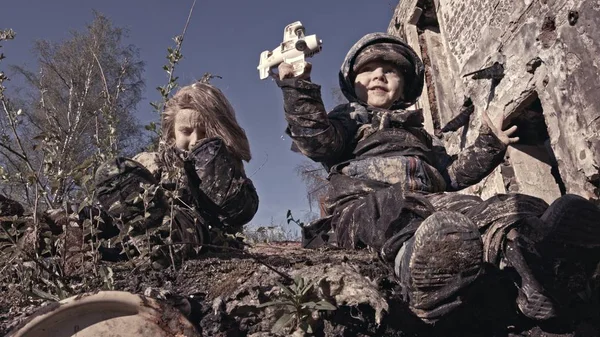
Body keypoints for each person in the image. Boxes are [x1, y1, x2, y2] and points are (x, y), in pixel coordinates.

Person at [272, 33, 600, 324]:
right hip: (365, 207)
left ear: (406, 84)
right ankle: (426, 276)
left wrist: (491, 142)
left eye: (391, 70)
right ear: (352, 82)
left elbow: (453, 173)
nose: (379, 75)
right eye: (367, 69)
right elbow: (316, 140)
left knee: (495, 210)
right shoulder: (348, 120)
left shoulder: (421, 137)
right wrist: (296, 85)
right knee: (398, 216)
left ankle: (543, 269)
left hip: (434, 204)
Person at [94, 82, 259, 268]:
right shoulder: (152, 163)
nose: (195, 140)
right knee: (115, 176)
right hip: (143, 237)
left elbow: (240, 211)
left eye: (205, 132)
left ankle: (160, 246)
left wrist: (210, 158)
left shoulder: (228, 169)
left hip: (204, 239)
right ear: (172, 132)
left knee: (185, 227)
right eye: (186, 131)